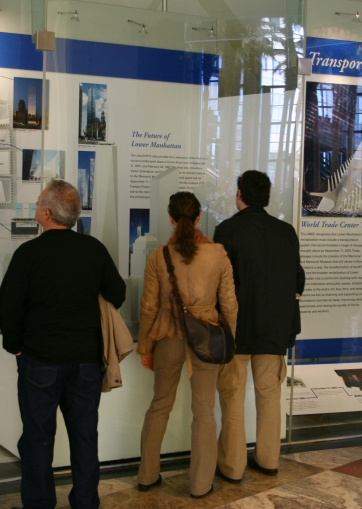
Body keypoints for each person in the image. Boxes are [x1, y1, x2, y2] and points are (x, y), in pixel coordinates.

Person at [0, 180, 126, 509]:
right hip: (86, 361)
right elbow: (118, 293)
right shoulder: (93, 249)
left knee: (38, 438)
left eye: (40, 200)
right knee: (85, 436)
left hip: (39, 360)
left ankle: (40, 503)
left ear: (47, 213)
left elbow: (8, 305)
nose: (36, 205)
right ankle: (85, 502)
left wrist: (15, 345)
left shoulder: (29, 254)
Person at [137, 192, 238, 499]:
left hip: (168, 338)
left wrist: (145, 348)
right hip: (206, 338)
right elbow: (229, 305)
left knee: (159, 405)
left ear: (171, 218)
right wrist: (228, 343)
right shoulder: (218, 254)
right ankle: (200, 485)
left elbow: (148, 308)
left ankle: (147, 475)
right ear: (198, 218)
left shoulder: (159, 256)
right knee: (205, 411)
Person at [215, 170, 305, 482]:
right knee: (269, 397)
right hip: (274, 330)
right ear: (266, 197)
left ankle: (232, 466)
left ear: (239, 194)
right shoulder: (286, 232)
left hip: (236, 330)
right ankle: (268, 460)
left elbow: (219, 283)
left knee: (232, 397)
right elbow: (298, 278)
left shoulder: (227, 230)